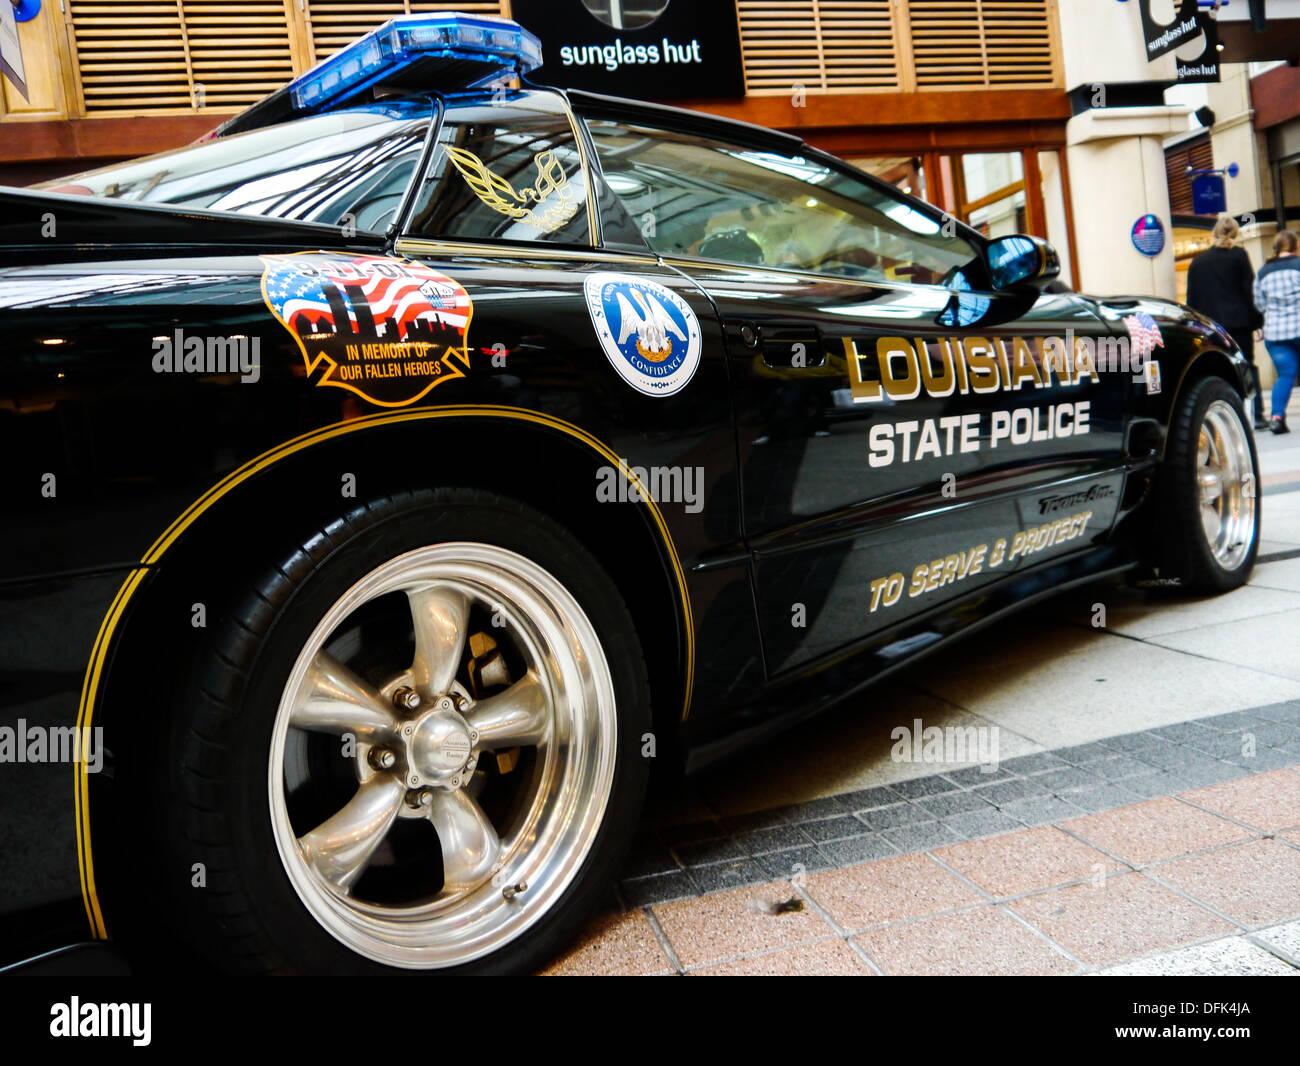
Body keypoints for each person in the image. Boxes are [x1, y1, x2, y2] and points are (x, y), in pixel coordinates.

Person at [1187, 214, 1266, 428]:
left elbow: (1191, 300)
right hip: (1238, 323)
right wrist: (1257, 323)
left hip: (1211, 327)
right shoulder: (1239, 256)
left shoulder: (1198, 262)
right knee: (1246, 367)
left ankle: (1222, 417)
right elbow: (1249, 292)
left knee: (1217, 369)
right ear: (1235, 234)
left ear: (1214, 234)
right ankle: (1256, 415)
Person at [1254, 230, 1300, 434]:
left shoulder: (1263, 272)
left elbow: (1259, 304)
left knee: (1285, 375)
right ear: (1295, 246)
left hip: (1276, 333)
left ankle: (1277, 417)